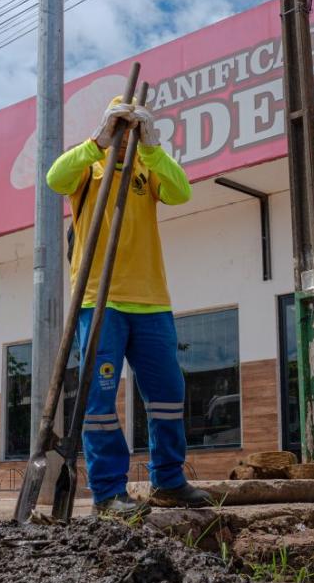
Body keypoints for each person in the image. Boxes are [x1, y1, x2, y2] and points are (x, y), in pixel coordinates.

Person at [47, 97, 213, 516]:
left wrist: (154, 146)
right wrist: (96, 141)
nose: (126, 138)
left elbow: (181, 192)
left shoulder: (147, 169)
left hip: (152, 302)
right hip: (98, 301)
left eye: (132, 129)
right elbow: (54, 178)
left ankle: (169, 482)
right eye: (120, 128)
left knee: (168, 394)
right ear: (110, 129)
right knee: (99, 399)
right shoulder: (89, 168)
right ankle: (108, 493)